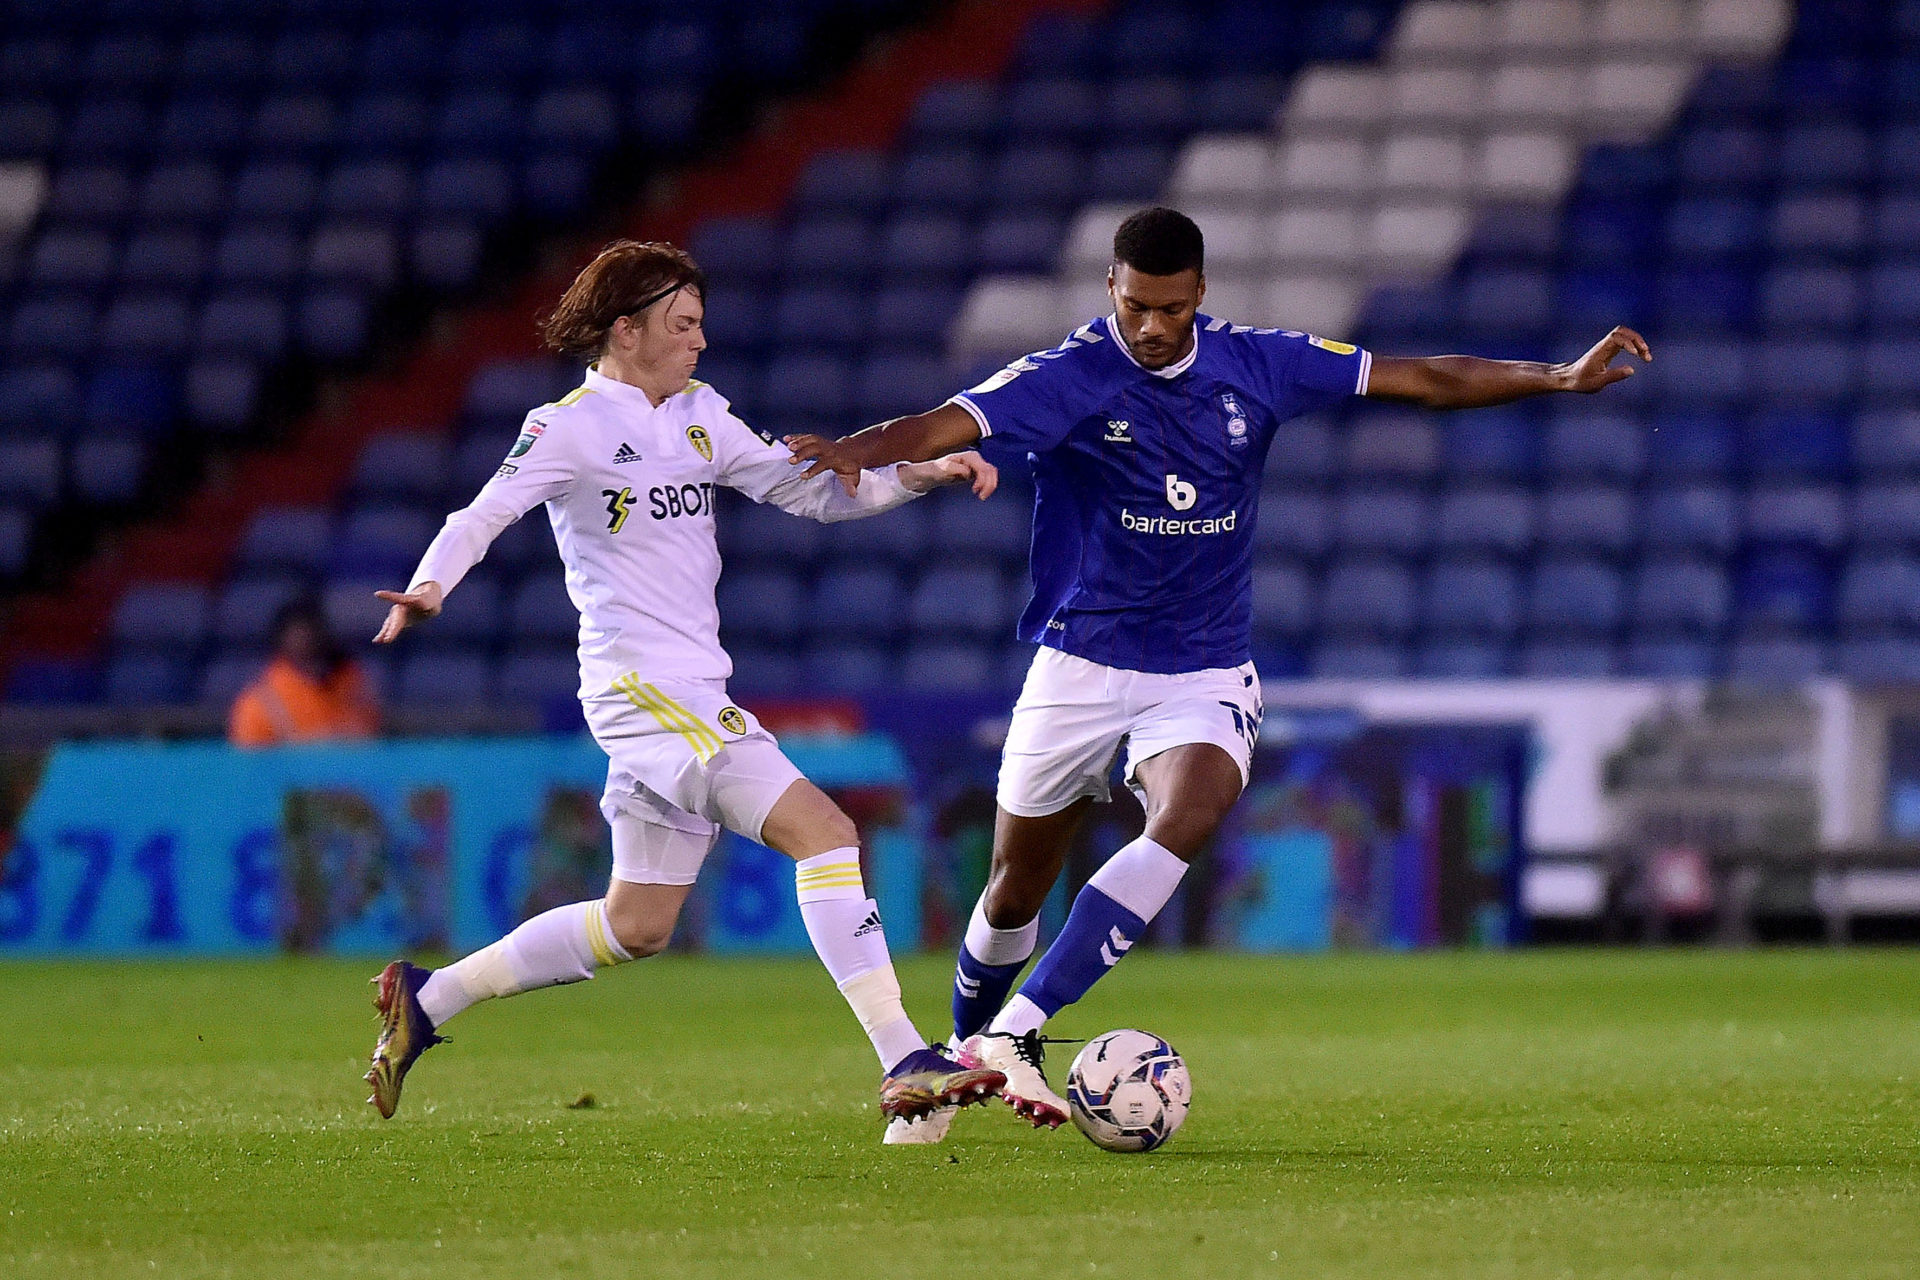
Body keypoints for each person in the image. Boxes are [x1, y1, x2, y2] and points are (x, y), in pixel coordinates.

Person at [786, 206, 1652, 1141]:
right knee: (1014, 885)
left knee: (1188, 815)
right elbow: (944, 422)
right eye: (1133, 308)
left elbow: (1424, 378)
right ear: (1110, 293)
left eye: (1167, 308)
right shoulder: (1068, 374)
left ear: (1200, 292)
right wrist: (857, 451)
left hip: (1202, 667)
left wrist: (1556, 377)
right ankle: (963, 1058)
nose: (1150, 327)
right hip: (1079, 662)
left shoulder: (1261, 363)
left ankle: (1022, 1031)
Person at [362, 239, 1006, 1132]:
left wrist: (922, 474)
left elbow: (811, 491)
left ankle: (431, 998)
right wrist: (432, 586)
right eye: (683, 324)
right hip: (645, 692)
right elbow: (481, 515)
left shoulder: (703, 415)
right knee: (826, 833)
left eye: (701, 323)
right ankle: (903, 1056)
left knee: (638, 924)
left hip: (687, 690)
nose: (700, 341)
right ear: (626, 330)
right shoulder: (570, 427)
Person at [229, 598, 380, 747]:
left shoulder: (352, 684)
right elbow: (249, 766)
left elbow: (372, 743)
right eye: (299, 635)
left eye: (314, 632)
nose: (308, 641)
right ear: (282, 640)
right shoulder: (258, 703)